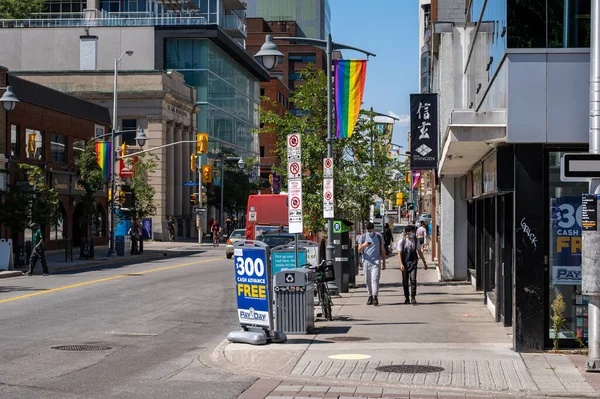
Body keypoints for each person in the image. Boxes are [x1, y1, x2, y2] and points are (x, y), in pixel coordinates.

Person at [397, 224, 428, 305]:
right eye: (411, 232)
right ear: (407, 233)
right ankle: (406, 297)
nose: (413, 233)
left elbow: (419, 252)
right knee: (405, 281)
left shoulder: (415, 240)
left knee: (413, 280)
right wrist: (401, 264)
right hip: (404, 263)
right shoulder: (402, 241)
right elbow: (399, 253)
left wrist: (424, 262)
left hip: (413, 263)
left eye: (413, 232)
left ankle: (413, 297)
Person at [357, 222, 386, 306]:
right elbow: (359, 249)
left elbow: (383, 249)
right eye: (368, 230)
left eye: (371, 230)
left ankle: (375, 296)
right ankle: (369, 295)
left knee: (375, 279)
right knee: (367, 280)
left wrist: (383, 262)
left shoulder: (379, 236)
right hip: (366, 261)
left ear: (374, 229)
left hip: (376, 261)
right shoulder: (363, 237)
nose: (370, 232)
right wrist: (364, 245)